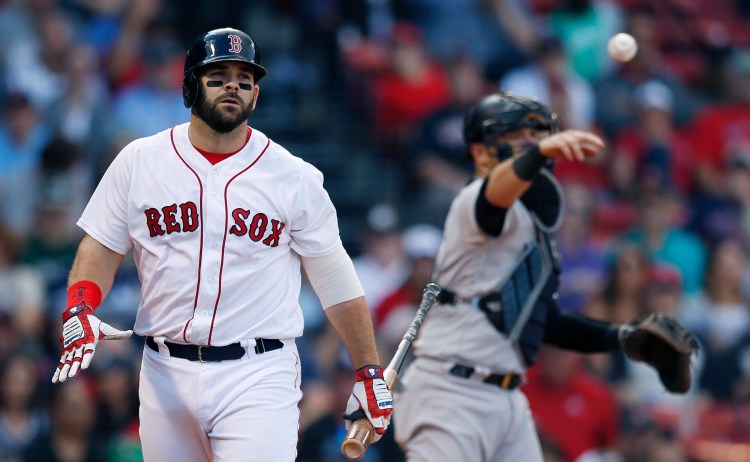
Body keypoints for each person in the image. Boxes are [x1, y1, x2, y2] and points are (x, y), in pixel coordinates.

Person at [49, 27, 392, 462]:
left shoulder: (294, 176)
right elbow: (100, 246)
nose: (234, 84)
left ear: (256, 96)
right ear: (190, 86)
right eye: (218, 75)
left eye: (245, 78)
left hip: (258, 370)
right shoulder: (140, 161)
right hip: (163, 371)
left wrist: (368, 369)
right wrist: (80, 305)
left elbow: (334, 277)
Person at [392, 92, 693, 462]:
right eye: (515, 140)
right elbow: (493, 200)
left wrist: (624, 338)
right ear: (480, 154)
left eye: (533, 139)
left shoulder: (534, 234)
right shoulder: (472, 202)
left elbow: (547, 322)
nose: (530, 146)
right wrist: (538, 155)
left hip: (506, 397)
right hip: (451, 392)